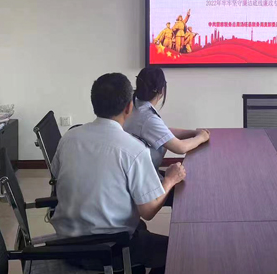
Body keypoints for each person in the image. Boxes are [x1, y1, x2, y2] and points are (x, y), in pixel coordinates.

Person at [51, 73, 185, 273]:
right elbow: (148, 211)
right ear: (129, 107)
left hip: (65, 245)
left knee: (141, 230)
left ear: (94, 103)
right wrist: (170, 179)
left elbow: (55, 175)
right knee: (180, 253)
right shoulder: (134, 149)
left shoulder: (69, 137)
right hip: (110, 248)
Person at [125, 66, 210, 175]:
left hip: (132, 172)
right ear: (162, 90)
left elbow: (164, 133)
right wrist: (201, 138)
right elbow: (180, 148)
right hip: (144, 177)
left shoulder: (133, 105)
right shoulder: (148, 117)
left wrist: (194, 133)